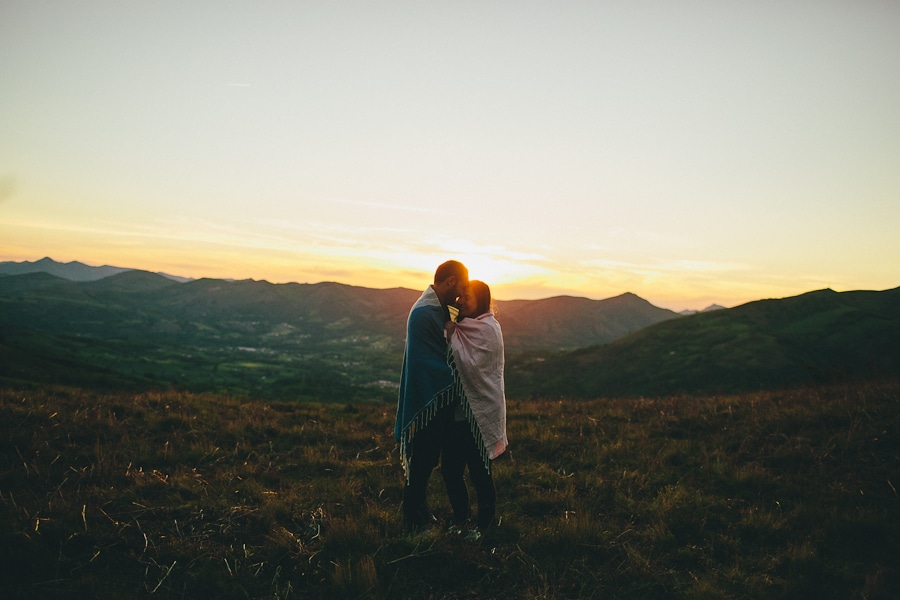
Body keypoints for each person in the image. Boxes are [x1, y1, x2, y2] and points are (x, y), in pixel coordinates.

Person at [394, 260, 469, 530]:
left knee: (426, 459)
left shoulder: (437, 308)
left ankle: (418, 513)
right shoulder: (426, 313)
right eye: (459, 286)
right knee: (424, 460)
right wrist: (464, 378)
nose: (461, 293)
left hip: (436, 398)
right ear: (449, 281)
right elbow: (432, 360)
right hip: (430, 397)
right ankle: (413, 518)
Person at [442, 280, 508, 537]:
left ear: (480, 299)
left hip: (480, 414)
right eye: (459, 298)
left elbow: (474, 367)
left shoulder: (489, 329)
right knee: (450, 470)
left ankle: (485, 526)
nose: (461, 302)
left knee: (480, 473)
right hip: (457, 413)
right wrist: (453, 334)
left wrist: (451, 338)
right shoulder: (461, 327)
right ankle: (460, 520)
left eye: (466, 297)